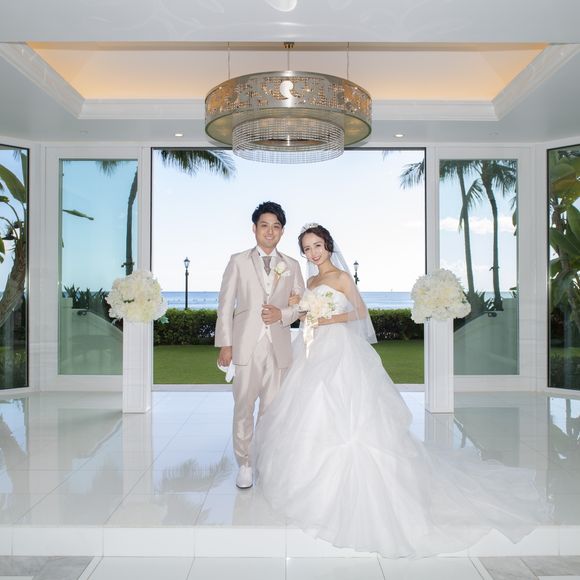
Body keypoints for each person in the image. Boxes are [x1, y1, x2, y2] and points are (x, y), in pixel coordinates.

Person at [252, 223, 549, 558]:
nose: (313, 253)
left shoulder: (342, 278)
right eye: (307, 249)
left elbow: (359, 313)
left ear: (328, 245)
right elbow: (307, 315)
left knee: (347, 410)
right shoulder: (310, 282)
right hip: (313, 349)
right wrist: (302, 307)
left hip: (340, 349)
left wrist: (326, 320)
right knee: (308, 409)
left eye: (317, 245)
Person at [215, 201, 305, 489]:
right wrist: (225, 344)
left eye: (276, 226)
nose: (270, 231)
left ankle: (265, 461)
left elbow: (302, 306)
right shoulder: (238, 261)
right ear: (254, 228)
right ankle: (245, 463)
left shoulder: (291, 265)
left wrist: (283, 314)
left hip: (278, 346)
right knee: (243, 407)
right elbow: (225, 305)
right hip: (246, 346)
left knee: (272, 410)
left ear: (282, 231)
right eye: (264, 225)